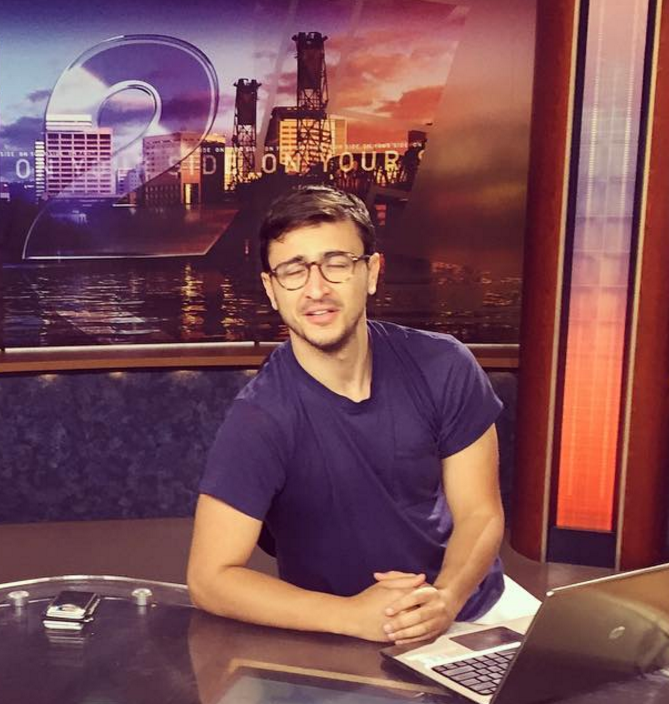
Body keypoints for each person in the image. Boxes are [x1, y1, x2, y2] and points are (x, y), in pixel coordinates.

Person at [187, 185, 538, 644]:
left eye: (337, 264)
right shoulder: (259, 418)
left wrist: (445, 600)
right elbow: (210, 578)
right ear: (271, 290)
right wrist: (351, 616)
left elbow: (480, 514)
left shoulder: (444, 365)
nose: (317, 289)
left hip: (473, 609)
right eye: (293, 270)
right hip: (338, 629)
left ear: (371, 272)